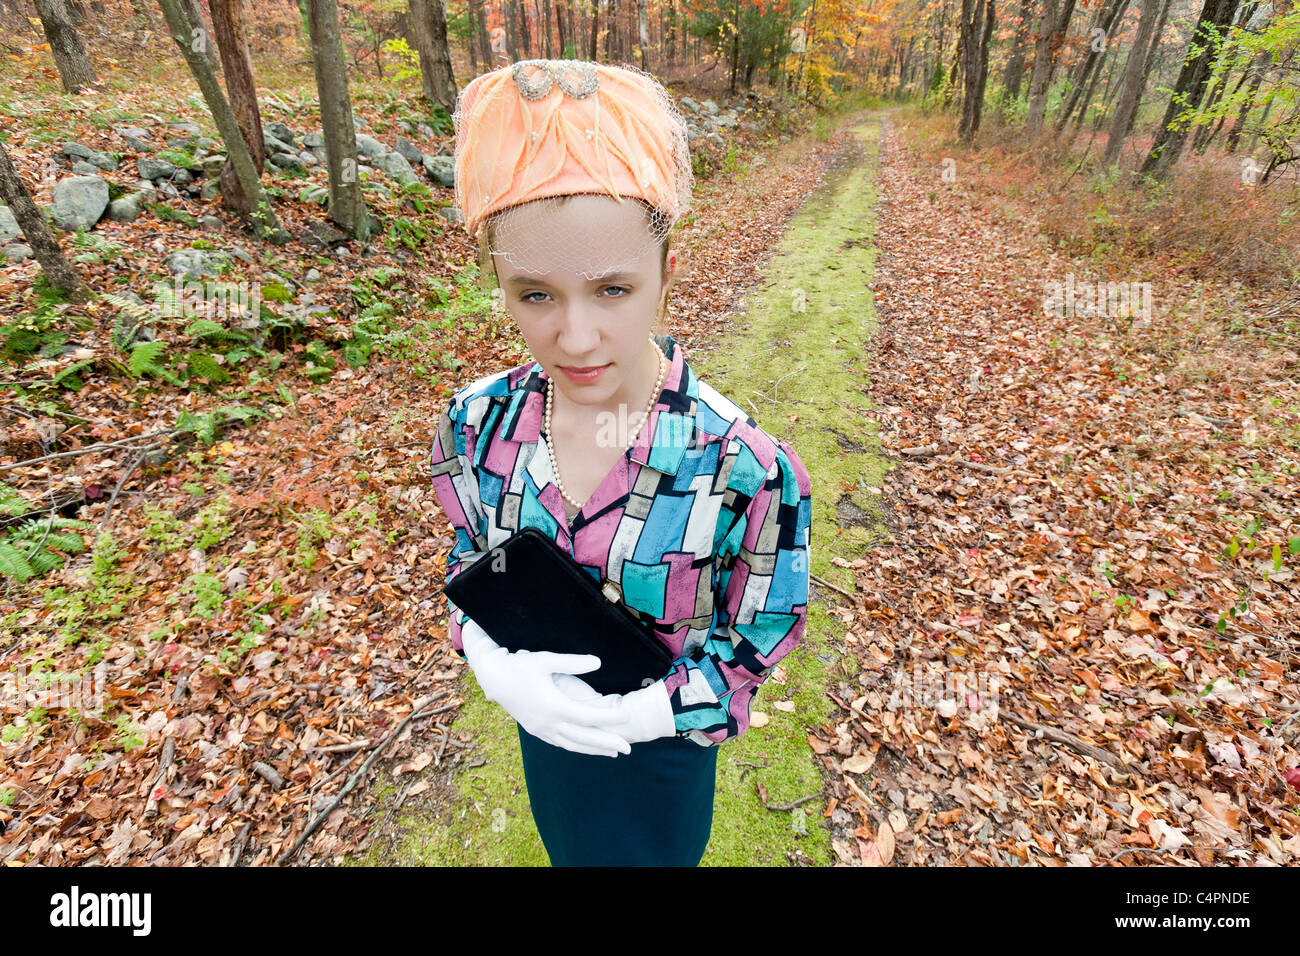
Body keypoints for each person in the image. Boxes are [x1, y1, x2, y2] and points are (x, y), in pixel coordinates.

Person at [428, 58, 812, 866]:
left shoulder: (745, 469)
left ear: (666, 273)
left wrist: (650, 714)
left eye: (611, 290)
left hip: (664, 760)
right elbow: (471, 559)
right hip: (546, 746)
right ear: (497, 282)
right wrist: (493, 663)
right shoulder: (475, 425)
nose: (574, 337)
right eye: (535, 294)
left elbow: (761, 633)